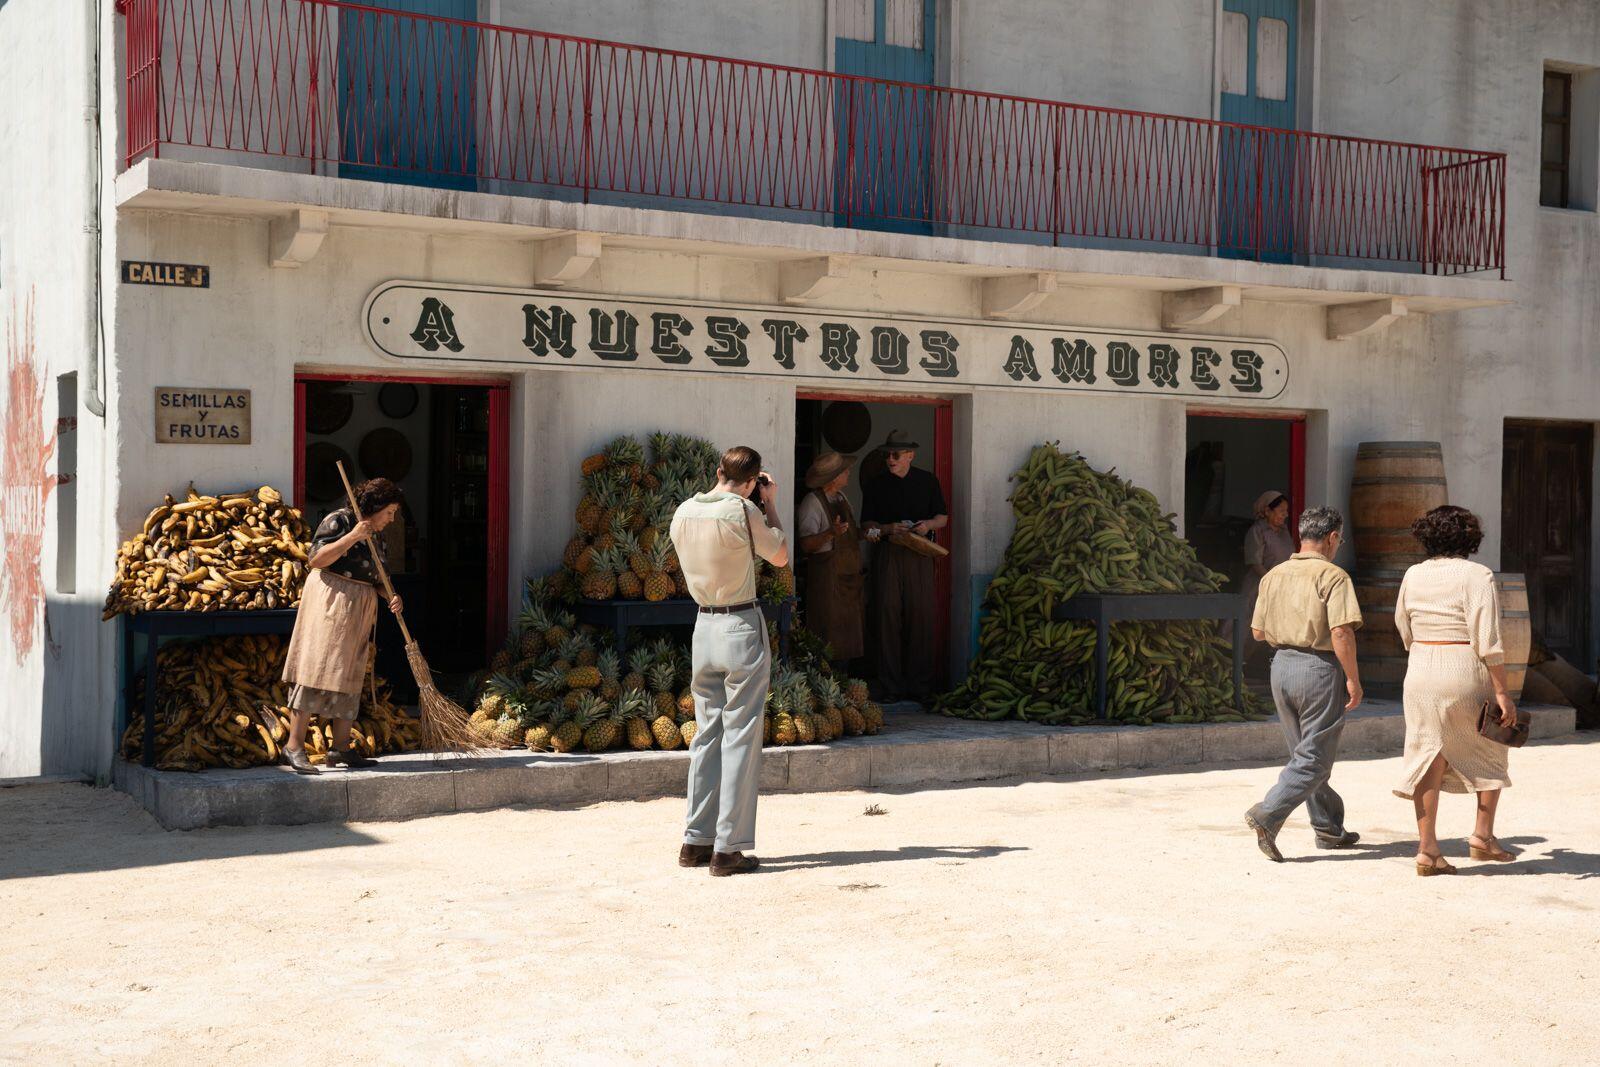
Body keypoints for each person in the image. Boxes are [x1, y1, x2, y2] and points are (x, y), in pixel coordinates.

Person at [669, 445, 789, 877]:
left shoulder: (683, 511)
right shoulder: (743, 509)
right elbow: (779, 554)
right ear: (754, 480)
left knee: (707, 735)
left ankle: (694, 840)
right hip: (740, 622)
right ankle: (728, 848)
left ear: (718, 471)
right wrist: (770, 504)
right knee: (740, 736)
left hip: (703, 625)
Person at [1392, 505, 1519, 876]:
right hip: (1463, 665)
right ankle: (1482, 837)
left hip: (1420, 668)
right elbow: (1488, 638)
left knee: (1428, 753)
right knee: (1491, 743)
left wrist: (1425, 650)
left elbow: (1403, 625)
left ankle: (1427, 849)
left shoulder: (1413, 574)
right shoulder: (1477, 575)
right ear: (1470, 538)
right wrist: (1503, 692)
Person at [1244, 505, 1364, 862]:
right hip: (1318, 668)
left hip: (1280, 667)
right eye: (1339, 538)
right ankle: (1268, 813)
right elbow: (1341, 631)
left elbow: (1258, 631)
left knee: (1304, 755)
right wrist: (1354, 680)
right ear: (1331, 537)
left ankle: (1328, 829)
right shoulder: (1334, 576)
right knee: (1315, 759)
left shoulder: (1274, 575)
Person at [277, 478, 405, 775]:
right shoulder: (341, 521)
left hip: (360, 607)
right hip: (331, 602)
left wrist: (392, 596)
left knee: (350, 671)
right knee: (316, 667)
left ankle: (341, 748)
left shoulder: (378, 535)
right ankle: (293, 747)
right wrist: (353, 536)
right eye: (389, 511)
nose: (392, 518)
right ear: (374, 507)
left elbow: (378, 578)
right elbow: (317, 559)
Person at [860, 430, 948, 705]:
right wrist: (887, 528)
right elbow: (866, 526)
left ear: (910, 455)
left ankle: (920, 686)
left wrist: (926, 526)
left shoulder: (928, 481)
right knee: (887, 617)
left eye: (896, 454)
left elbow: (942, 518)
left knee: (921, 616)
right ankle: (890, 686)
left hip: (919, 554)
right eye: (887, 454)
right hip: (888, 552)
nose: (890, 459)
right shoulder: (875, 484)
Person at [797, 452, 864, 664]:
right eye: (845, 471)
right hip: (826, 579)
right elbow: (806, 544)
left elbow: (850, 532)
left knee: (848, 636)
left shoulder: (842, 498)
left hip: (848, 579)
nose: (849, 473)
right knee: (827, 635)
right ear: (834, 478)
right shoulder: (812, 503)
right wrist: (830, 533)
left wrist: (871, 532)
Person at [1242, 490, 1296, 664]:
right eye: (1281, 511)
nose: (1285, 515)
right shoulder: (1257, 531)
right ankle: (1240, 665)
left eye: (1286, 511)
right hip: (1260, 587)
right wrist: (1271, 582)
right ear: (1267, 511)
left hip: (1283, 588)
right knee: (1251, 627)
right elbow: (1255, 562)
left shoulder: (1283, 531)